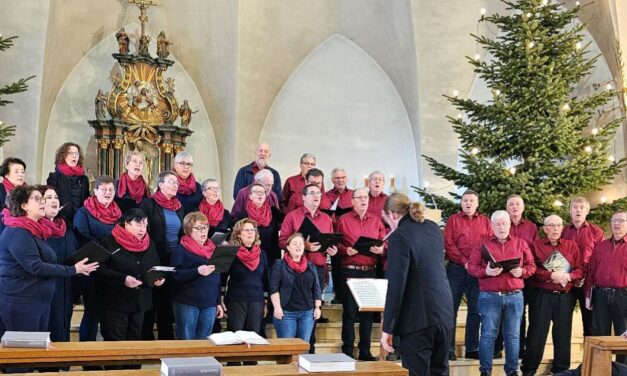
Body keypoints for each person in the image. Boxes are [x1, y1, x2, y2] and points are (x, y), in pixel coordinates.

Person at [0, 185, 97, 339]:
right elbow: (36, 267)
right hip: (22, 303)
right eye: (37, 199)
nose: (43, 203)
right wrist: (73, 270)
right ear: (24, 205)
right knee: (22, 355)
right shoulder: (18, 231)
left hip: (36, 302)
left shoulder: (34, 230)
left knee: (37, 354)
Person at [380, 192, 454, 376]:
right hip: (444, 313)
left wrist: (387, 328)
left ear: (393, 214)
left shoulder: (399, 236)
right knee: (440, 371)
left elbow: (397, 286)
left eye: (387, 220)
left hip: (417, 319)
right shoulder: (433, 228)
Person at [468, 210, 536, 376]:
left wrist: (522, 272)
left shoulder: (520, 243)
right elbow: (471, 267)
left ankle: (512, 371)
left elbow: (532, 266)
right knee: (488, 335)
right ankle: (485, 371)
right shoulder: (482, 244)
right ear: (492, 226)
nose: (501, 226)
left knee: (513, 336)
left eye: (504, 223)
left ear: (509, 225)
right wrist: (486, 272)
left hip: (515, 296)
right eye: (497, 223)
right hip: (490, 296)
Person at [521, 215, 583, 376]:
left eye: (558, 225)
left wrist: (569, 276)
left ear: (562, 227)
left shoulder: (572, 246)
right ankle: (529, 369)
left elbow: (580, 269)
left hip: (564, 296)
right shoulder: (535, 246)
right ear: (545, 228)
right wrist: (551, 275)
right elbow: (531, 270)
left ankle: (561, 370)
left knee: (563, 334)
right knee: (537, 333)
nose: (555, 229)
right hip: (542, 295)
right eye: (551, 225)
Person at [279, 183, 338, 352]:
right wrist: (304, 246)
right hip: (295, 269)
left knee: (313, 312)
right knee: (296, 310)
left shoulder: (326, 219)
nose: (316, 196)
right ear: (303, 197)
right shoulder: (292, 216)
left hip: (318, 269)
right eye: (311, 193)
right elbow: (282, 241)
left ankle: (309, 352)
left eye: (318, 193)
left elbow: (329, 242)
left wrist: (332, 250)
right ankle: (291, 351)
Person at [95, 209, 164, 351]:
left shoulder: (148, 243)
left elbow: (155, 265)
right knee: (116, 347)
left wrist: (159, 278)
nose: (142, 229)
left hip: (140, 303)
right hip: (115, 303)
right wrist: (123, 279)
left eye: (145, 225)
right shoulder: (109, 241)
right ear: (126, 223)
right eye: (138, 224)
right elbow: (98, 269)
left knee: (135, 346)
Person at [336, 188, 386, 360]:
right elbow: (336, 244)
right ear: (352, 201)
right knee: (349, 312)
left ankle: (365, 350)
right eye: (360, 197)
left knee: (367, 313)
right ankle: (348, 349)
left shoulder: (376, 220)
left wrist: (381, 249)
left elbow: (384, 242)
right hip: (351, 270)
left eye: (366, 197)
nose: (364, 200)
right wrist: (345, 250)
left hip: (370, 271)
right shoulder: (343, 220)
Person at [73, 175, 122, 345]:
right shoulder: (83, 211)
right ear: (95, 191)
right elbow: (82, 237)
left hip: (112, 268)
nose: (108, 193)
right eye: (104, 189)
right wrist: (106, 249)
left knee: (110, 311)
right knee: (92, 312)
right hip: (91, 267)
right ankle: (87, 354)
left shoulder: (118, 212)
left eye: (111, 190)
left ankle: (108, 352)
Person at [444, 189, 492, 360]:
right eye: (465, 200)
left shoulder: (486, 222)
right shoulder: (453, 220)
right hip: (456, 269)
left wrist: (475, 264)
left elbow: (489, 245)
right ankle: (448, 348)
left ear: (477, 203)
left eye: (472, 200)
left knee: (475, 310)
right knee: (451, 309)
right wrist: (464, 261)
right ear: (461, 203)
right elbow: (448, 243)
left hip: (477, 271)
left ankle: (472, 348)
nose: (468, 203)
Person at [140, 171, 185, 340]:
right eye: (171, 182)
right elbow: (143, 232)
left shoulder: (179, 207)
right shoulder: (148, 204)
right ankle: (146, 339)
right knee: (151, 300)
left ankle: (166, 339)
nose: (175, 185)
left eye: (177, 183)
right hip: (153, 257)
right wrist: (150, 257)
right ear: (160, 184)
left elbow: (181, 233)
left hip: (173, 259)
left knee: (167, 301)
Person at [496, 194, 538, 358]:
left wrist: (523, 270)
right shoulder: (501, 224)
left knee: (520, 313)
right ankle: (497, 347)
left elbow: (533, 252)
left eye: (517, 204)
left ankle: (519, 348)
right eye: (511, 204)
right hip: (500, 276)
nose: (514, 207)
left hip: (523, 277)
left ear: (523, 207)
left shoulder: (531, 227)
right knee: (499, 311)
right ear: (507, 207)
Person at [171, 212, 223, 339]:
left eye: (205, 227)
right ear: (189, 230)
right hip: (188, 303)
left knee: (204, 345)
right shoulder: (181, 249)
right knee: (187, 345)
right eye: (198, 228)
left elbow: (217, 277)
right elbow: (175, 275)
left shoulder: (213, 248)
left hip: (209, 304)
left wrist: (218, 302)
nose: (203, 231)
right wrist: (197, 271)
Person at [584, 210, 627, 364]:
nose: (617, 224)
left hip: (623, 296)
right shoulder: (600, 246)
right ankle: (601, 369)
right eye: (614, 220)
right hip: (600, 295)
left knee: (624, 336)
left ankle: (622, 370)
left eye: (621, 221)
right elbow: (591, 272)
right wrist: (588, 295)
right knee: (601, 335)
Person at [223, 219, 269, 353]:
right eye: (247, 230)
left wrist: (265, 301)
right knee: (235, 338)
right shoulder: (230, 252)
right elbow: (222, 278)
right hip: (236, 299)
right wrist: (220, 298)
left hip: (256, 300)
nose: (251, 233)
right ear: (238, 234)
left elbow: (265, 279)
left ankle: (251, 369)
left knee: (253, 338)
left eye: (253, 230)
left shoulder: (262, 254)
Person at [40, 186, 78, 344]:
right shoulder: (35, 228)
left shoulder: (65, 227)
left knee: (62, 324)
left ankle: (61, 363)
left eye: (56, 197)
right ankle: (45, 366)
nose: (54, 200)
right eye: (48, 197)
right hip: (45, 286)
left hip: (65, 284)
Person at [562, 197, 604, 336]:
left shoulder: (596, 232)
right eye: (575, 207)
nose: (578, 210)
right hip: (568, 283)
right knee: (563, 322)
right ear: (570, 211)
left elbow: (599, 258)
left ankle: (589, 358)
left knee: (590, 324)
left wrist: (585, 277)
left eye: (581, 207)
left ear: (587, 211)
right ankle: (563, 358)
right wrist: (572, 276)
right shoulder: (564, 231)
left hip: (588, 283)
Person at [270, 233, 321, 342]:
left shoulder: (310, 266)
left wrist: (317, 307)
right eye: (295, 243)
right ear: (288, 247)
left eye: (301, 244)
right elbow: (274, 288)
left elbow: (316, 289)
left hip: (307, 312)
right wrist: (277, 307)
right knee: (287, 348)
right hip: (286, 312)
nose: (298, 246)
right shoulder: (279, 265)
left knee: (303, 347)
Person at [326, 168, 353, 304]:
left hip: (350, 234)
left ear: (346, 178)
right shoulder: (327, 196)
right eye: (337, 178)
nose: (340, 180)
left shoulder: (353, 194)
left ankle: (351, 295)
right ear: (332, 180)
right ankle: (338, 295)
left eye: (342, 177)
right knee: (336, 265)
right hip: (334, 233)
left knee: (350, 264)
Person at [47, 142, 90, 226]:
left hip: (79, 221)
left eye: (77, 154)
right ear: (63, 156)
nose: (74, 156)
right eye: (71, 153)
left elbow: (86, 201)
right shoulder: (55, 177)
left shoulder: (84, 179)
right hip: (60, 221)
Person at [238, 182, 281, 265]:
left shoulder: (273, 212)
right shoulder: (243, 215)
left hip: (270, 258)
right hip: (251, 258)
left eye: (262, 192)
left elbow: (276, 239)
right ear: (250, 196)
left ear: (266, 196)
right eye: (256, 192)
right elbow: (238, 239)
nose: (260, 194)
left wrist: (277, 261)